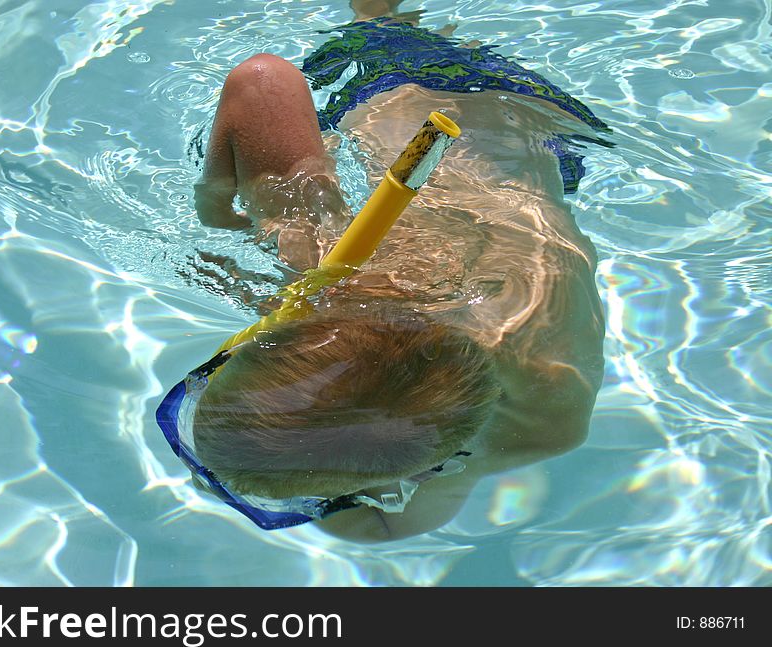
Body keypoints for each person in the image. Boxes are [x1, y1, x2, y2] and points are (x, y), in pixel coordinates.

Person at [185, 1, 606, 542]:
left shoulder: (550, 421)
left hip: (553, 134)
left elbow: (390, 521)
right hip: (409, 99)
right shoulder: (317, 262)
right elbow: (262, 80)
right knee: (379, 18)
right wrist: (215, 211)